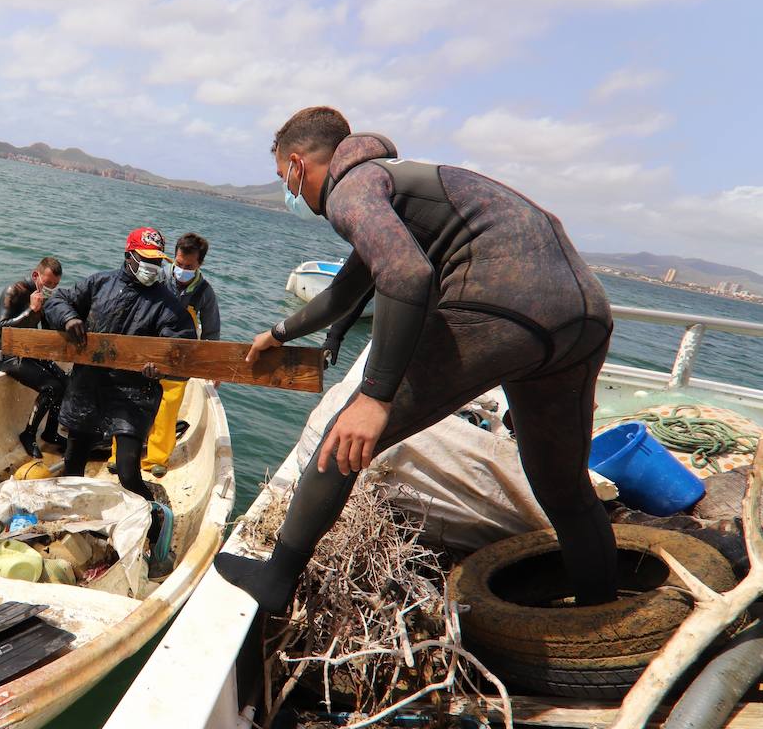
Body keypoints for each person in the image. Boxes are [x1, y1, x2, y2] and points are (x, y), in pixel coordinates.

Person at [216, 106, 619, 615]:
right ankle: (603, 619)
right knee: (564, 490)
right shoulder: (394, 185)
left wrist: (376, 395)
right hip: (582, 316)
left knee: (344, 434)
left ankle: (276, 579)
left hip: (504, 304)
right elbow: (344, 294)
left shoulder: (352, 189)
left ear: (298, 163)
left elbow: (406, 276)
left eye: (283, 178)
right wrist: (279, 333)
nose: (289, 190)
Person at [43, 227, 197, 501]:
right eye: (146, 259)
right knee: (73, 464)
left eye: (157, 261)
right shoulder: (99, 283)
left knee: (128, 473)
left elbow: (182, 352)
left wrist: (162, 368)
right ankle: (71, 515)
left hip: (134, 395)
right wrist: (68, 318)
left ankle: (153, 520)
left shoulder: (169, 306)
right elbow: (57, 299)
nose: (152, 266)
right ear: (129, 256)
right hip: (88, 386)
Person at [108, 232, 222, 477]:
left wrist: (213, 369)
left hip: (177, 361)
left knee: (167, 407)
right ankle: (118, 453)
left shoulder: (204, 293)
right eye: (178, 264)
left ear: (199, 264)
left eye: (188, 266)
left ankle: (156, 458)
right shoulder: (156, 278)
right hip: (145, 351)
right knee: (129, 400)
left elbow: (211, 332)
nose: (181, 269)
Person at [0, 257, 68, 457]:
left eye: (56, 285)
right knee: (52, 388)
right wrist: (31, 310)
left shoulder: (43, 295)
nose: (51, 288)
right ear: (36, 275)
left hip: (29, 352)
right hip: (7, 356)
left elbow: (48, 329)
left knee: (65, 382)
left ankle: (51, 433)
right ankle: (28, 434)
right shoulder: (14, 291)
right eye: (48, 283)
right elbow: (3, 330)